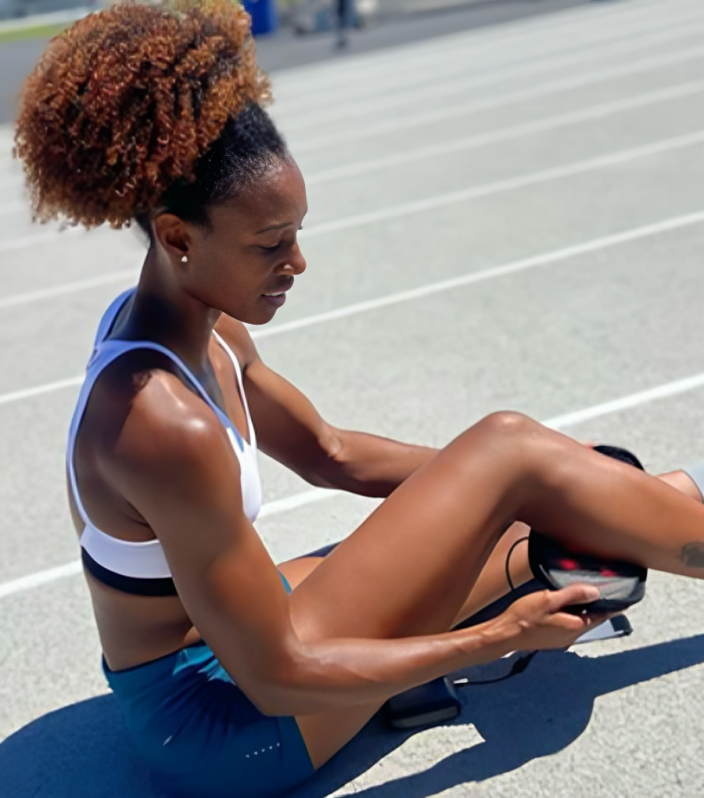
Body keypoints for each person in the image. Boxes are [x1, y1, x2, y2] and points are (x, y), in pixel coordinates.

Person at [13, 2, 704, 796]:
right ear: (177, 238)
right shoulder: (159, 422)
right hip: (226, 727)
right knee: (518, 456)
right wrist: (496, 640)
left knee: (554, 503)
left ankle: (629, 502)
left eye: (297, 233)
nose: (297, 262)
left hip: (245, 634)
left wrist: (545, 481)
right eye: (271, 244)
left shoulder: (200, 326)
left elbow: (330, 454)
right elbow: (278, 677)